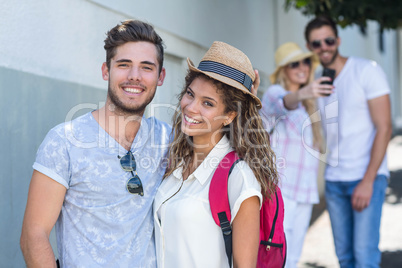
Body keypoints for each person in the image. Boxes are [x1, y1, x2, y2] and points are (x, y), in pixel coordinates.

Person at [20, 20, 171, 267]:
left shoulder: (168, 139)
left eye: (146, 67)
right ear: (105, 70)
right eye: (124, 65)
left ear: (160, 76)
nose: (135, 76)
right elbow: (33, 236)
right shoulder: (64, 141)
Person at [153, 41, 278, 268]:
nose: (191, 107)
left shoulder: (239, 177)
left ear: (230, 116)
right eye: (190, 94)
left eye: (207, 103)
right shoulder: (176, 160)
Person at [304, 16, 392, 268]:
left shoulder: (367, 70)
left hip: (365, 177)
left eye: (328, 40)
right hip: (334, 180)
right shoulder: (319, 82)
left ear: (338, 41)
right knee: (345, 259)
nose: (324, 47)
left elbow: (384, 128)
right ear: (311, 47)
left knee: (364, 258)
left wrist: (368, 181)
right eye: (317, 43)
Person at [260, 42, 333, 268]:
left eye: (305, 62)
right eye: (294, 64)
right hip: (282, 190)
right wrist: (304, 92)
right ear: (284, 70)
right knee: (277, 253)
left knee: (293, 256)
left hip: (305, 190)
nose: (302, 67)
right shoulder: (275, 94)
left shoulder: (308, 105)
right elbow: (285, 103)